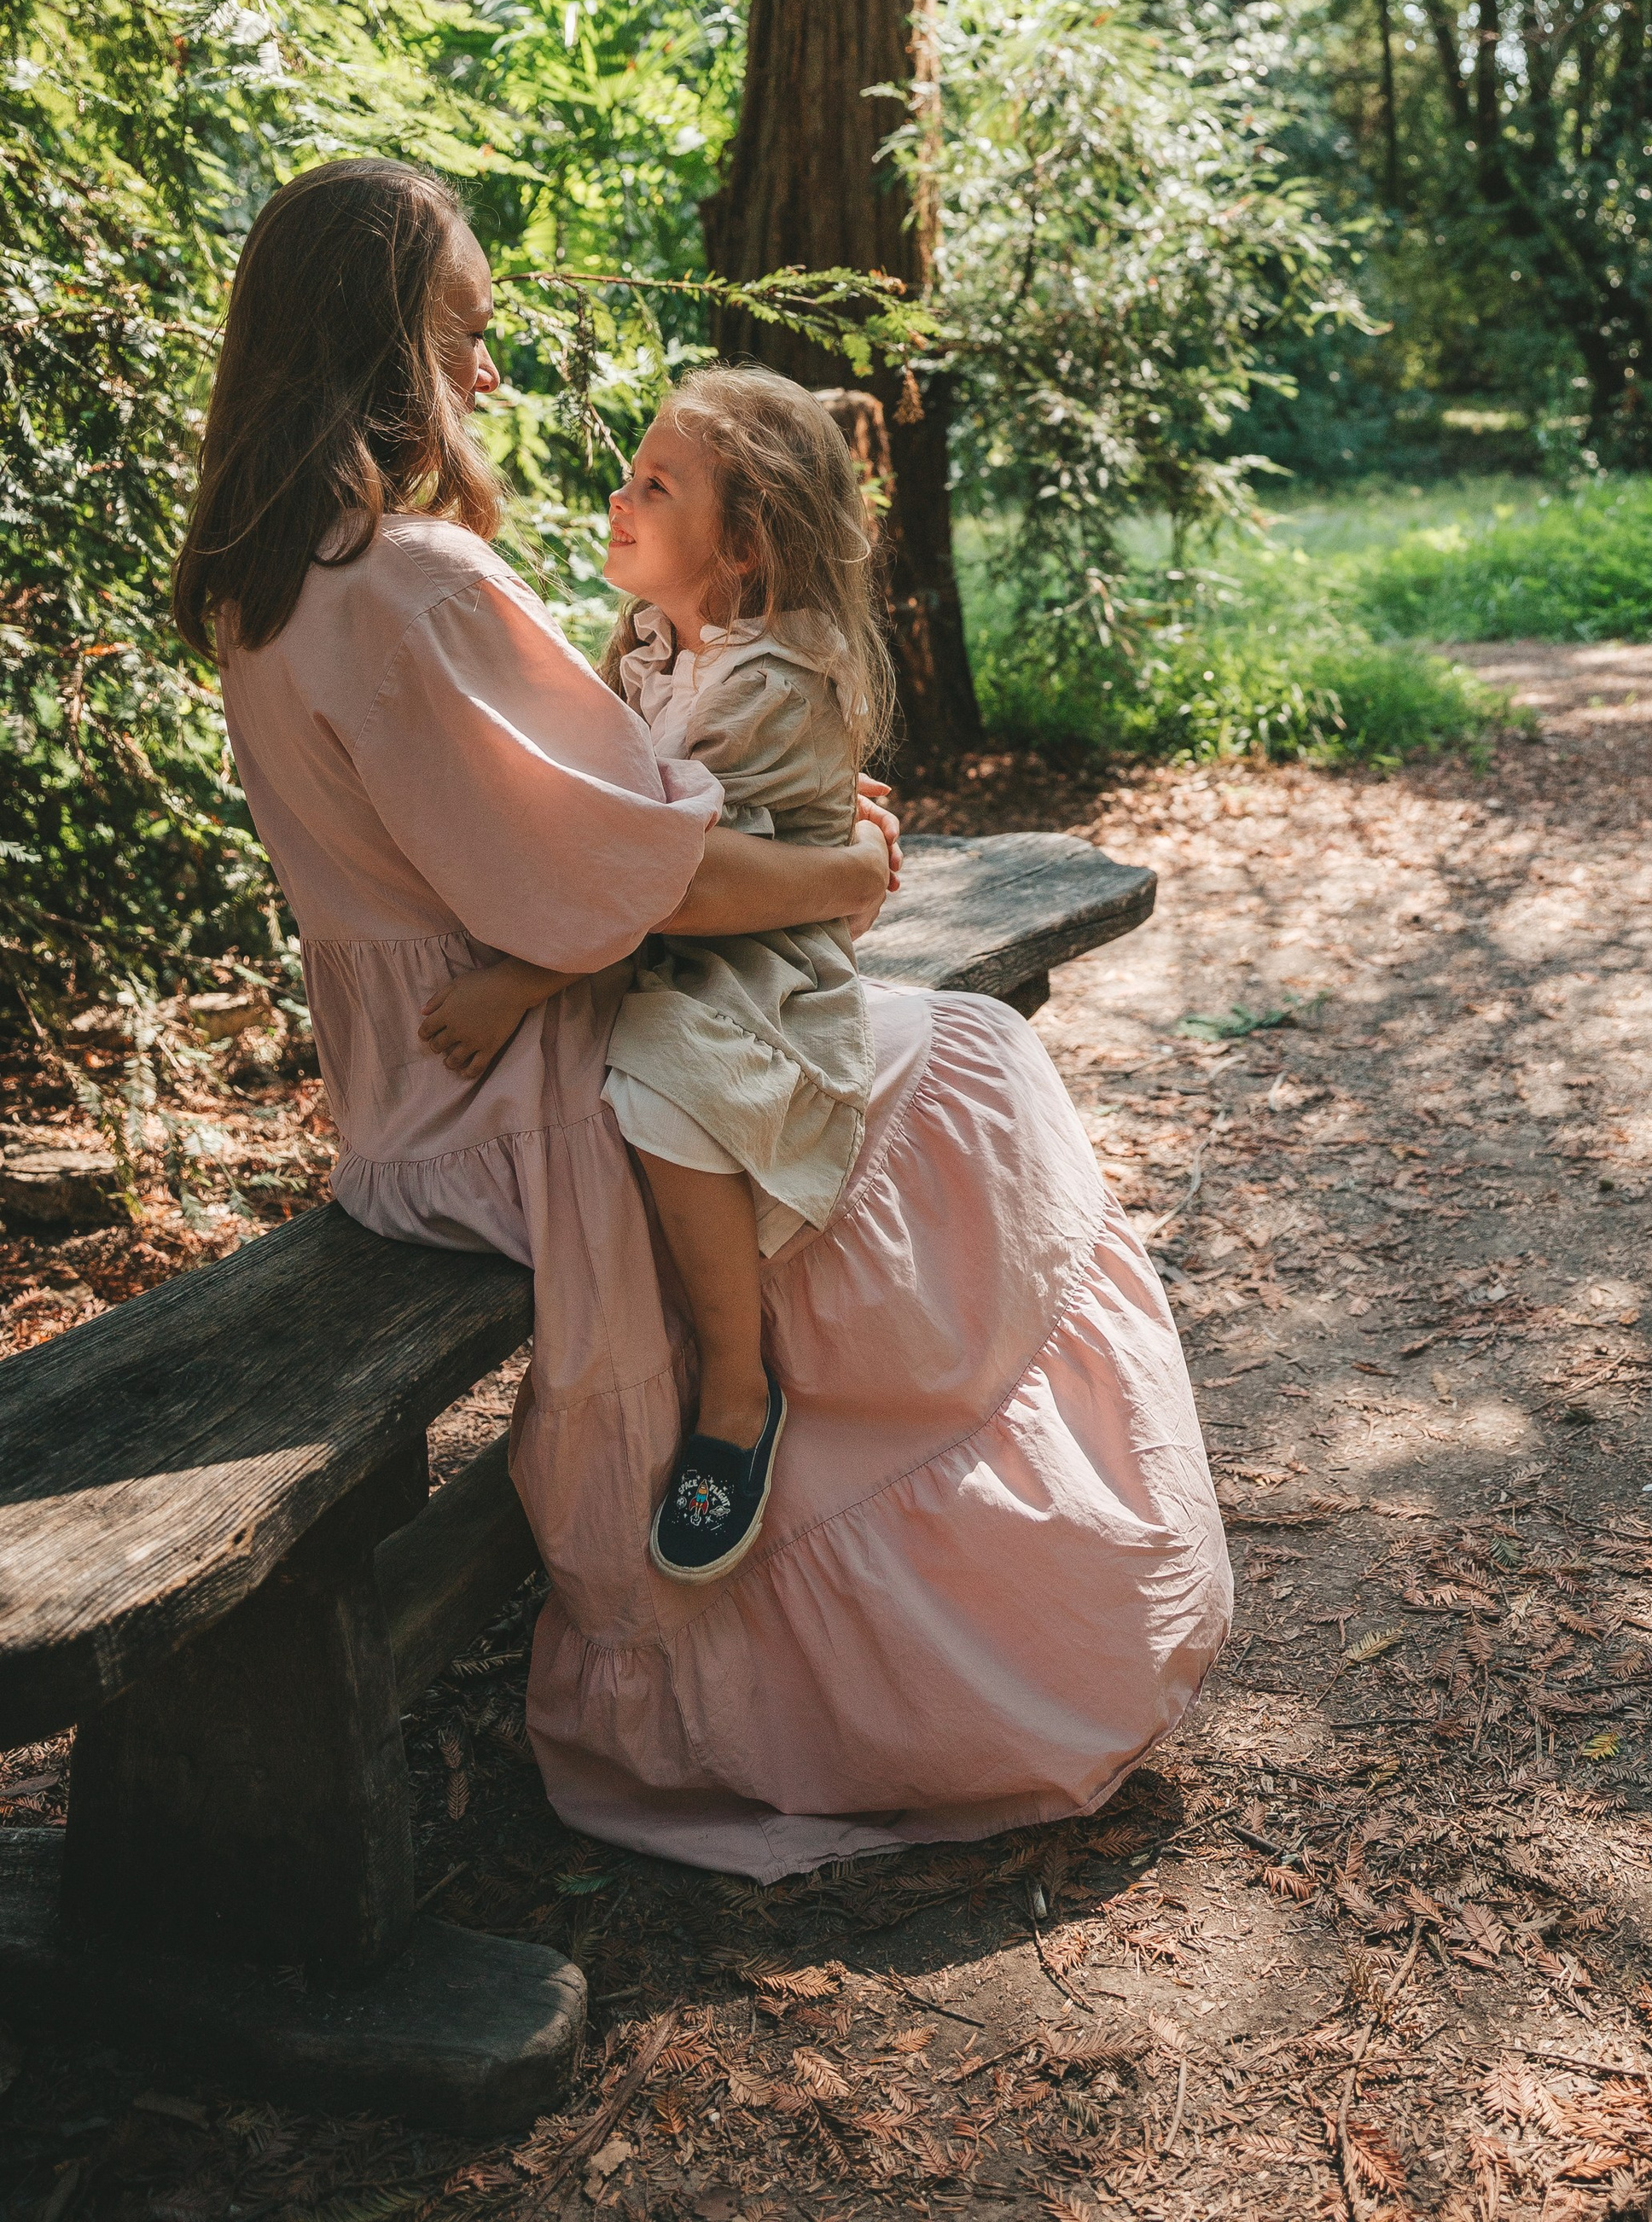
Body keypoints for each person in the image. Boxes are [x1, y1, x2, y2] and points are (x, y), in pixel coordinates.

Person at [172, 155, 1231, 1882]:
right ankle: (895, 1664)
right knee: (972, 1069)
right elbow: (642, 881)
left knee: (893, 1081)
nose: (490, 380)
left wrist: (765, 852)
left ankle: (855, 1557)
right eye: (463, 336)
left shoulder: (264, 582)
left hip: (419, 1100)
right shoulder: (416, 585)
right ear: (379, 348)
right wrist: (839, 880)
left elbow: (603, 843)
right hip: (525, 1097)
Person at [415, 365, 892, 1590]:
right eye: (630, 475)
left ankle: (737, 1388)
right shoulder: (649, 642)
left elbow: (659, 877)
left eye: (656, 486)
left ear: (739, 546)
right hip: (660, 937)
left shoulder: (771, 686)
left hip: (755, 968)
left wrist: (519, 982)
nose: (619, 499)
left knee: (667, 1087)